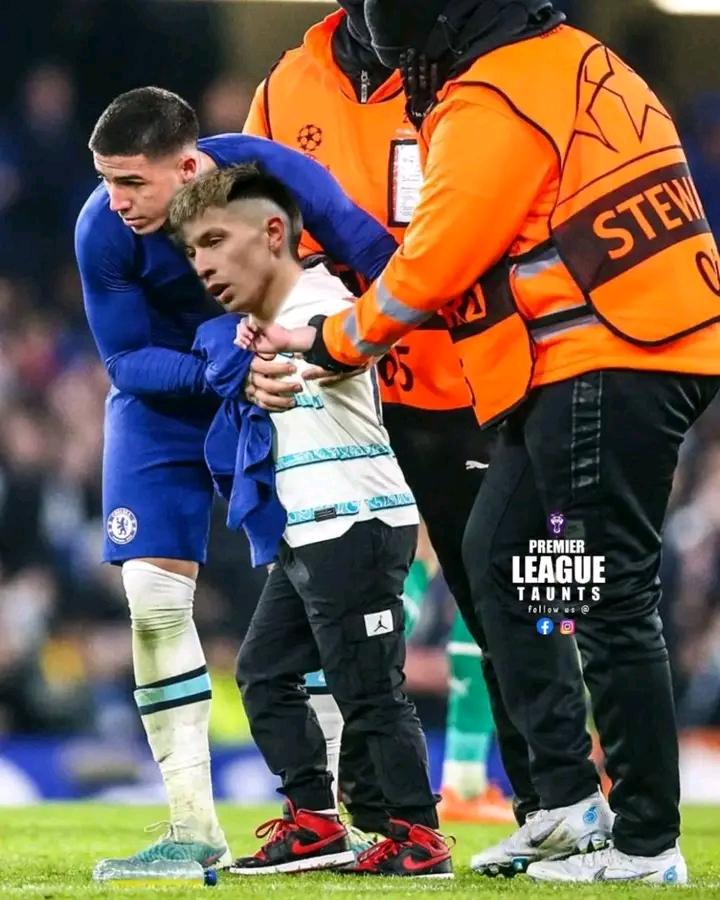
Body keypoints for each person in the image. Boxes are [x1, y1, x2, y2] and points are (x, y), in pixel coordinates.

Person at [235, 0, 720, 885]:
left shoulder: (494, 93)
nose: (410, 70)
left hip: (604, 349)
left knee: (607, 600)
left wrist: (335, 342)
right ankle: (567, 807)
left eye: (413, 47)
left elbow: (436, 260)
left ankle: (645, 843)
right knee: (505, 557)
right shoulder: (576, 58)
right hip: (632, 343)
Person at [75, 86, 397, 873]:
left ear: (187, 166)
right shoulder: (100, 231)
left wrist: (366, 345)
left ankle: (326, 818)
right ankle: (191, 825)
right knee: (152, 600)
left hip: (281, 374)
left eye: (133, 183)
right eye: (107, 179)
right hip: (169, 399)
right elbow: (123, 360)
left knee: (325, 585)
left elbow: (374, 253)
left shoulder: (270, 174)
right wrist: (223, 364)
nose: (116, 201)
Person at [242, 0, 518, 826]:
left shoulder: (466, 76)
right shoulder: (287, 86)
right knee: (334, 607)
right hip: (335, 395)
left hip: (458, 387)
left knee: (502, 602)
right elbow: (253, 231)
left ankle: (543, 801)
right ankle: (354, 805)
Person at [169, 163, 454, 879]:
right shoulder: (258, 325)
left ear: (272, 234)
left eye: (213, 240)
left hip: (356, 524)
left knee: (368, 687)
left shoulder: (323, 303)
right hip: (310, 529)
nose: (202, 264)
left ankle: (417, 835)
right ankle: (316, 822)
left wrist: (271, 361)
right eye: (191, 251)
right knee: (264, 672)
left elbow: (338, 347)